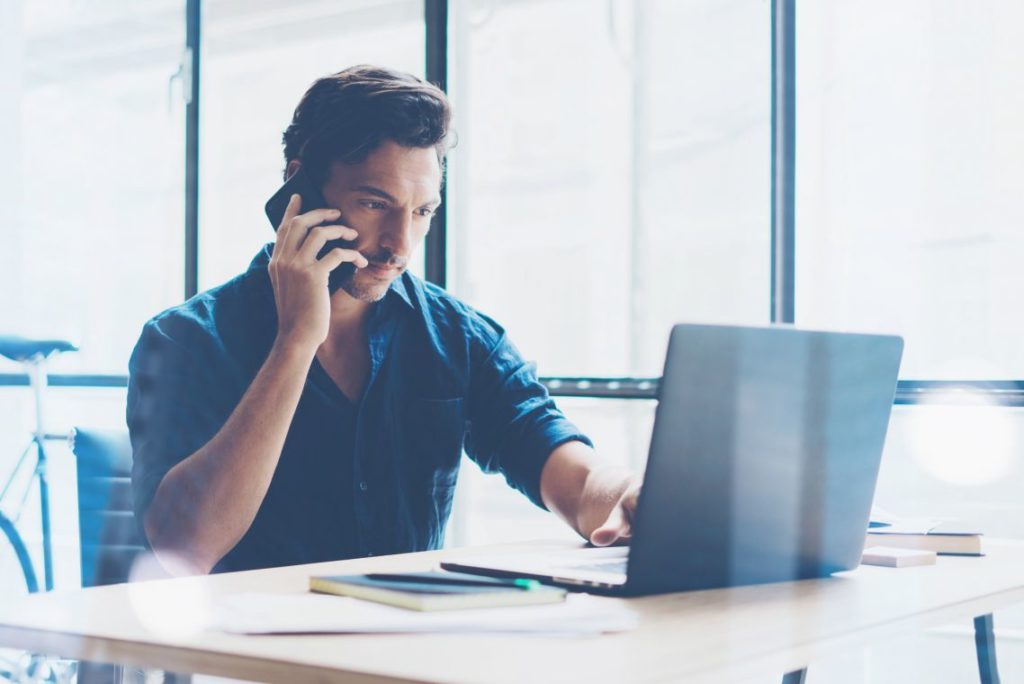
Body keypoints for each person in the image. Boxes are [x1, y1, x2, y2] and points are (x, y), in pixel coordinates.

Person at [128, 65, 639, 575]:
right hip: (241, 650)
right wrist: (295, 342)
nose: (400, 243)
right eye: (376, 203)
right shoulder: (186, 340)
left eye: (422, 213)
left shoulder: (456, 337)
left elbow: (558, 461)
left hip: (399, 648)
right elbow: (185, 549)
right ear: (298, 187)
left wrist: (628, 498)